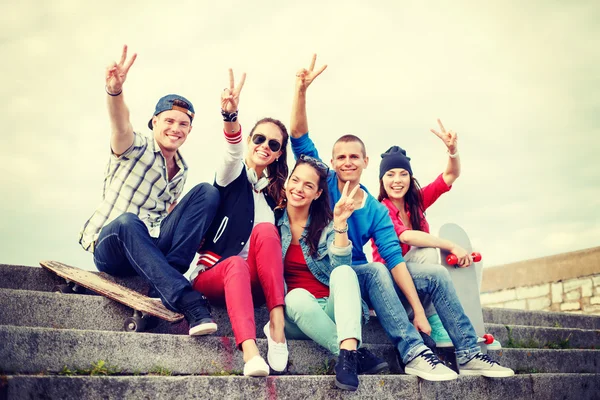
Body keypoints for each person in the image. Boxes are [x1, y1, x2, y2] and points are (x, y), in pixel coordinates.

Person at [288, 54, 514, 379]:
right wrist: (301, 91)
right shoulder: (322, 184)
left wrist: (419, 313)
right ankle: (414, 353)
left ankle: (468, 352)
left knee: (434, 274)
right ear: (333, 162)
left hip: (361, 276)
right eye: (340, 157)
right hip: (332, 275)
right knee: (377, 269)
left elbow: (395, 260)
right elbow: (299, 137)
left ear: (366, 161)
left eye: (354, 156)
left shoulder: (376, 210)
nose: (347, 162)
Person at [79, 45, 220, 336]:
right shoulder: (134, 145)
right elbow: (120, 123)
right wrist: (115, 91)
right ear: (155, 121)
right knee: (128, 222)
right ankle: (187, 299)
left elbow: (173, 217)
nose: (175, 129)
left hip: (149, 246)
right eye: (169, 121)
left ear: (190, 130)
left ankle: (163, 280)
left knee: (207, 192)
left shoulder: (181, 169)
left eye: (183, 124)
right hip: (112, 245)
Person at [188, 70, 289, 377]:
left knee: (266, 230)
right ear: (249, 140)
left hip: (257, 284)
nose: (265, 147)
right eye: (259, 139)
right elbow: (232, 150)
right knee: (236, 264)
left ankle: (277, 328)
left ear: (279, 154)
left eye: (273, 144)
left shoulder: (274, 195)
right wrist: (229, 114)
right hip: (217, 273)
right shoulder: (231, 175)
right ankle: (250, 352)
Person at [373, 139, 500, 349]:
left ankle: (469, 319)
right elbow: (406, 237)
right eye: (390, 174)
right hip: (394, 286)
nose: (397, 180)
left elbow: (450, 175)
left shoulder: (416, 202)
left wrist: (453, 151)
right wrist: (449, 245)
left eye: (403, 174)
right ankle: (435, 320)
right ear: (382, 179)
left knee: (468, 258)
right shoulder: (381, 209)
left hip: (421, 280)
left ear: (410, 177)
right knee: (429, 253)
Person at [280, 155, 388, 391]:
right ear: (287, 182)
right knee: (295, 297)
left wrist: (340, 223)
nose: (299, 189)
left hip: (337, 312)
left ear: (318, 193)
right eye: (295, 180)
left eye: (308, 185)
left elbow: (340, 264)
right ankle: (354, 353)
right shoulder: (273, 225)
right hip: (297, 316)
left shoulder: (326, 224)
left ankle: (347, 357)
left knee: (344, 273)